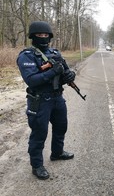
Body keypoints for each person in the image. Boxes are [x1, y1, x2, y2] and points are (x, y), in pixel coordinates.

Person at [17, 21, 76, 180]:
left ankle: (57, 153)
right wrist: (51, 73)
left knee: (61, 127)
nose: (43, 37)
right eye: (39, 35)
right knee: (39, 133)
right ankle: (36, 165)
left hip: (57, 98)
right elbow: (32, 80)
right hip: (40, 101)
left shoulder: (55, 53)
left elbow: (63, 72)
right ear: (32, 36)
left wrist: (69, 75)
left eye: (46, 35)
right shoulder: (27, 56)